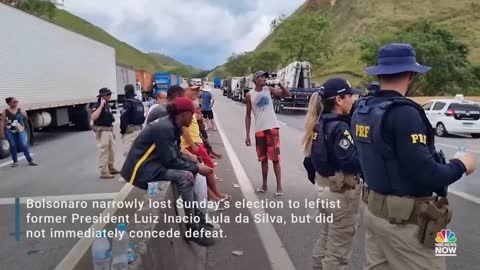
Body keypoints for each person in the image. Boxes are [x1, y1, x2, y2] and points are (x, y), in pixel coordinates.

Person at [351, 43, 477, 269]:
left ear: (380, 74)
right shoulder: (404, 113)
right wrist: (461, 164)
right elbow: (428, 174)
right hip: (406, 224)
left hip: (375, 212)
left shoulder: (364, 109)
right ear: (411, 74)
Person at [120, 97, 215, 246]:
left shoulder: (172, 125)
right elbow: (170, 160)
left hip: (152, 163)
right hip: (142, 169)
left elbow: (175, 152)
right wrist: (197, 167)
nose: (195, 116)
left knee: (190, 168)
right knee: (187, 177)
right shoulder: (165, 128)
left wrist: (193, 162)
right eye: (193, 113)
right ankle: (193, 229)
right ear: (184, 114)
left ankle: (199, 218)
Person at [302, 78, 363, 270]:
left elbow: (310, 161)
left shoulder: (320, 123)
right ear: (339, 99)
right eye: (350, 96)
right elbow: (349, 161)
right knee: (337, 256)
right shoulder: (339, 127)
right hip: (340, 195)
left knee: (327, 240)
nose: (352, 100)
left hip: (325, 189)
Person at [245, 70, 291, 197]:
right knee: (263, 159)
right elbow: (248, 116)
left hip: (272, 128)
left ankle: (279, 186)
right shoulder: (249, 95)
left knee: (275, 159)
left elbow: (287, 95)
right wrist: (247, 134)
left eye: (264, 77)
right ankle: (264, 185)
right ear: (255, 80)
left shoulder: (269, 90)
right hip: (259, 130)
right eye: (260, 77)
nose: (263, 78)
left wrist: (280, 84)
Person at [181, 84, 229, 202]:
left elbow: (195, 121)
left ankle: (211, 195)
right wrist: (192, 144)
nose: (196, 92)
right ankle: (214, 195)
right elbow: (184, 128)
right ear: (185, 90)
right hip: (191, 144)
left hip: (195, 141)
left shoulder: (191, 103)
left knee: (202, 170)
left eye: (197, 90)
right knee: (209, 168)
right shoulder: (184, 105)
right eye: (193, 90)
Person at [91, 88, 120, 179]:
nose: (109, 96)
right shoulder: (97, 105)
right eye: (108, 94)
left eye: (110, 94)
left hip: (109, 129)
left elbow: (110, 119)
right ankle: (103, 171)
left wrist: (113, 131)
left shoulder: (108, 105)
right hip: (102, 131)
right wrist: (100, 106)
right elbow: (93, 117)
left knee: (112, 150)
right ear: (102, 96)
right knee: (103, 151)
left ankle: (110, 167)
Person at [0, 97, 37, 167]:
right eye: (14, 102)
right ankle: (15, 162)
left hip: (20, 130)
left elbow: (26, 118)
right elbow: (2, 122)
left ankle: (30, 160)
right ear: (9, 103)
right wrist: (2, 133)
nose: (16, 103)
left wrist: (25, 115)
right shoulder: (5, 111)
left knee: (23, 144)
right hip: (9, 131)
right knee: (13, 145)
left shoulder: (20, 110)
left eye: (17, 101)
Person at [120, 84, 145, 157]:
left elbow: (123, 118)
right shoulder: (139, 103)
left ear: (126, 91)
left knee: (128, 156)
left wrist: (123, 131)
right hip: (139, 130)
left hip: (130, 132)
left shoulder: (128, 103)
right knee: (138, 155)